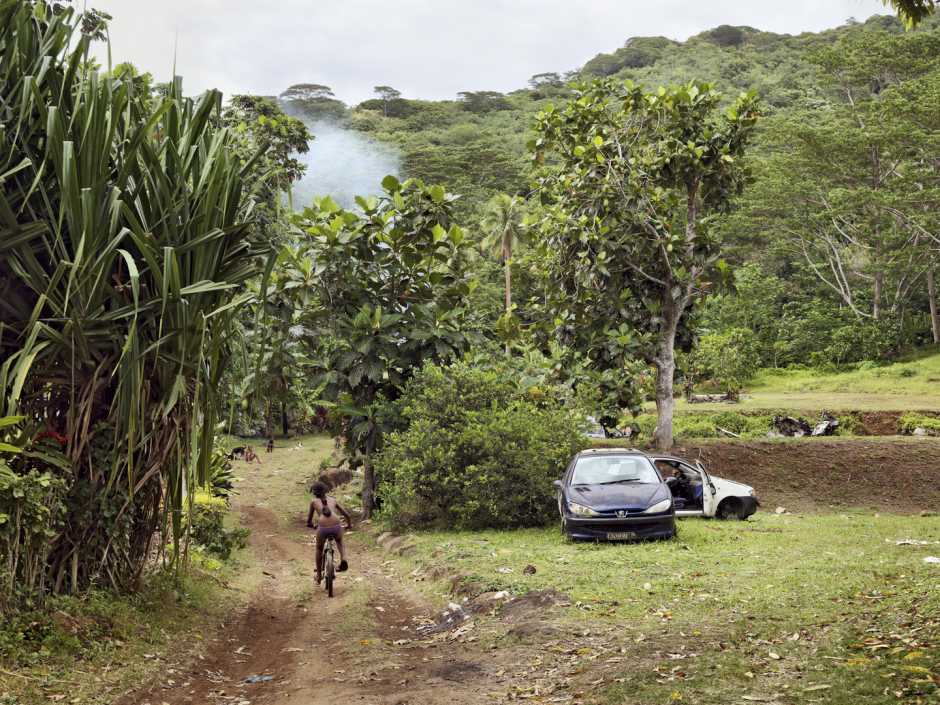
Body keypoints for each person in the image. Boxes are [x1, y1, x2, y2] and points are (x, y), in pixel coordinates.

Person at [306, 481, 352, 583]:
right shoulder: (333, 500)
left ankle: (318, 576)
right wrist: (349, 525)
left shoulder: (313, 502)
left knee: (319, 547)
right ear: (326, 490)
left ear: (313, 492)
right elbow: (347, 516)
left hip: (323, 528)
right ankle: (343, 558)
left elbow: (309, 521)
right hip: (336, 525)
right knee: (339, 539)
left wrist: (311, 524)